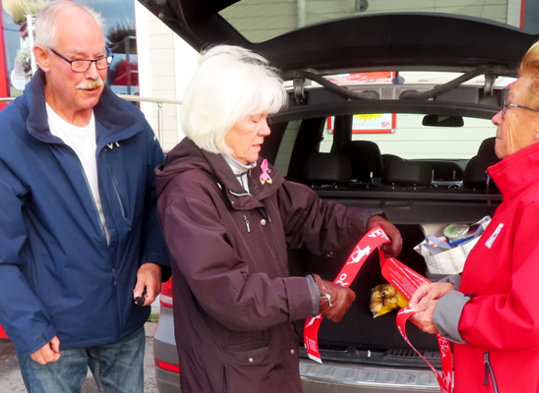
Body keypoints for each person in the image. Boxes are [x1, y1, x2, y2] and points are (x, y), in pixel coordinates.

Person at [156, 45, 403, 393]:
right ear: (220, 119)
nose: (266, 130)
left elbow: (308, 214)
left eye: (266, 118)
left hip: (269, 357)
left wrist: (364, 225)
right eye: (254, 119)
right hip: (229, 374)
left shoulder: (251, 171)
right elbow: (230, 293)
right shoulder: (188, 193)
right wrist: (313, 293)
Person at [0, 2, 169, 392]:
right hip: (53, 333)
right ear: (42, 57)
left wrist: (155, 260)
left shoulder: (132, 125)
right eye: (78, 61)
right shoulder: (3, 141)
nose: (93, 75)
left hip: (125, 318)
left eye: (100, 59)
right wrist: (29, 326)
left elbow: (159, 202)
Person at [409, 39, 539, 393]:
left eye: (509, 107)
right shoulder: (534, 190)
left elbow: (531, 319)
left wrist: (447, 314)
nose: (496, 117)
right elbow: (513, 277)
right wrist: (454, 288)